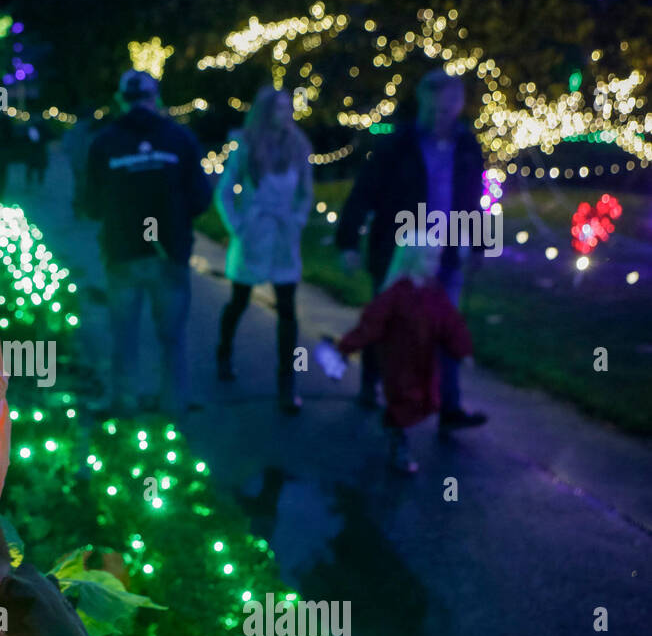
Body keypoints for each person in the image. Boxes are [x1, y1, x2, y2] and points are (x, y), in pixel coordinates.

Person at [335, 69, 487, 434]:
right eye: (435, 108)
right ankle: (372, 383)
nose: (442, 116)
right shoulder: (397, 145)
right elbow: (363, 193)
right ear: (423, 102)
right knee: (387, 321)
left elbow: (472, 198)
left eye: (449, 107)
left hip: (443, 253)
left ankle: (449, 405)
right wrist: (348, 242)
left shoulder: (467, 147)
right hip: (398, 252)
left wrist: (478, 244)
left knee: (445, 323)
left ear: (459, 105)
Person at [85, 70, 212, 417]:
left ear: (122, 99)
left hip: (122, 254)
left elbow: (88, 204)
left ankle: (124, 403)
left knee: (124, 334)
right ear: (154, 98)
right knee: (172, 337)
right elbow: (201, 198)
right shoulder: (180, 139)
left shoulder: (105, 142)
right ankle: (175, 403)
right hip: (168, 253)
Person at [333, 240, 474, 474]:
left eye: (435, 258)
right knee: (404, 400)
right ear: (412, 259)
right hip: (398, 362)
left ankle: (394, 427)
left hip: (425, 361)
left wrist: (463, 349)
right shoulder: (396, 295)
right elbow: (371, 324)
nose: (434, 264)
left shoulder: (434, 294)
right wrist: (347, 347)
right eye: (428, 258)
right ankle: (399, 443)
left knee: (425, 398)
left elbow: (452, 324)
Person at [215, 86, 313, 414]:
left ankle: (288, 380)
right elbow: (225, 191)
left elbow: (305, 192)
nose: (284, 114)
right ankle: (224, 351)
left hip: (284, 236)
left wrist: (297, 219)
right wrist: (238, 226)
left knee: (287, 309)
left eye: (288, 108)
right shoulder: (246, 145)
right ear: (265, 110)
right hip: (254, 234)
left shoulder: (299, 146)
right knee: (239, 299)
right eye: (278, 108)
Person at [62, 106, 98, 217]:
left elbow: (66, 146)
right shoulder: (91, 130)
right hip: (87, 163)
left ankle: (79, 209)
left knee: (79, 186)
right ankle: (84, 209)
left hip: (77, 163)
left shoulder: (72, 130)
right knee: (86, 186)